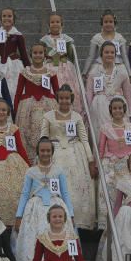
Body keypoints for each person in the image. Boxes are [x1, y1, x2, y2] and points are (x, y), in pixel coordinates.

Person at [14, 138, 74, 261]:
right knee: (32, 242)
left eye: (48, 151)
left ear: (52, 152)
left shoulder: (58, 171)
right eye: (42, 150)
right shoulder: (31, 172)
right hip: (35, 208)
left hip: (56, 208)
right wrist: (19, 215)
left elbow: (65, 193)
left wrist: (70, 213)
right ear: (38, 152)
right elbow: (24, 194)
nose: (45, 153)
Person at [40, 86, 96, 230]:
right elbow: (43, 138)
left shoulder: (77, 117)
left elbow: (84, 139)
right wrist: (42, 160)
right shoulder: (48, 116)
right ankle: (56, 218)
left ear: (71, 99)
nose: (64, 101)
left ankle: (77, 221)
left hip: (75, 155)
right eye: (61, 98)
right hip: (54, 154)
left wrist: (90, 160)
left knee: (76, 189)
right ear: (58, 99)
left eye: (67, 98)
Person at [97, 97, 131, 228]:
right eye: (114, 108)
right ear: (110, 110)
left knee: (128, 192)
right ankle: (109, 224)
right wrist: (98, 165)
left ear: (124, 110)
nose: (117, 111)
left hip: (128, 165)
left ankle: (127, 222)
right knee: (111, 193)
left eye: (120, 108)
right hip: (111, 165)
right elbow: (101, 148)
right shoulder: (105, 128)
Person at [14, 42, 59, 160]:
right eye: (35, 53)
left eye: (40, 53)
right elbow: (18, 92)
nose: (38, 55)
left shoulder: (51, 71)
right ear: (30, 54)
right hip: (27, 108)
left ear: (45, 55)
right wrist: (15, 111)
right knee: (26, 133)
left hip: (47, 106)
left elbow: (57, 91)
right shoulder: (25, 72)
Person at [85, 41, 131, 131]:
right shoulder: (94, 71)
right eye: (106, 52)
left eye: (112, 52)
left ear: (115, 54)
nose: (109, 55)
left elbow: (128, 94)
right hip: (99, 106)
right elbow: (89, 92)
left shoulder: (122, 70)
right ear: (101, 54)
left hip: (117, 105)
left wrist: (130, 112)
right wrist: (88, 110)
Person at [41, 12, 82, 110]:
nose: (55, 24)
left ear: (61, 24)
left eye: (57, 22)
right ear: (49, 25)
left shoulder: (67, 40)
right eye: (52, 22)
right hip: (50, 67)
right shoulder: (44, 40)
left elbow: (72, 56)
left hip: (65, 68)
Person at [0, 7, 28, 98]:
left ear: (13, 19)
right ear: (0, 18)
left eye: (9, 16)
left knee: (13, 88)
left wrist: (29, 69)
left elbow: (24, 54)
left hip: (14, 65)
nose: (7, 18)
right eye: (4, 16)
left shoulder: (18, 35)